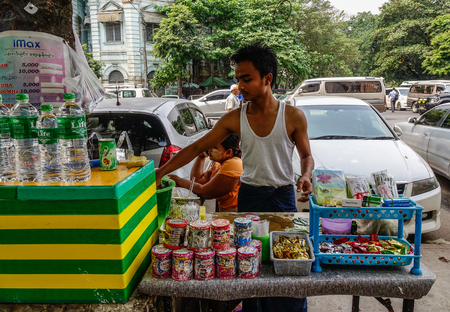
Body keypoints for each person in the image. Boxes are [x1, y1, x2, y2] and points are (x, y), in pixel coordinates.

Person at [155, 42, 314, 312]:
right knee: (248, 264)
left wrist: (307, 175)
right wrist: (160, 172)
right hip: (250, 197)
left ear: (268, 79)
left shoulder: (293, 116)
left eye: (247, 78)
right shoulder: (234, 119)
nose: (240, 85)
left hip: (283, 198)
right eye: (238, 79)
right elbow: (195, 148)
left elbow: (306, 156)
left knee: (285, 264)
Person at [167, 133, 243, 212]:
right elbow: (197, 181)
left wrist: (179, 180)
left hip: (237, 214)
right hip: (226, 212)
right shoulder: (218, 165)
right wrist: (201, 156)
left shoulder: (234, 164)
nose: (209, 149)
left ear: (228, 153)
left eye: (215, 147)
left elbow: (204, 192)